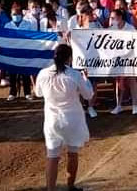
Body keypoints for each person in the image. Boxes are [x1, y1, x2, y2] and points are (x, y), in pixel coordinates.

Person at [35, 44, 93, 191]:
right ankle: (70, 186)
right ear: (69, 58)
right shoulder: (74, 75)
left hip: (52, 121)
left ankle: (50, 189)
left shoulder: (42, 74)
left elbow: (38, 93)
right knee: (73, 153)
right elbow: (88, 95)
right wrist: (86, 79)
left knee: (52, 156)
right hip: (73, 120)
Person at [108, 9, 137, 115]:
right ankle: (119, 105)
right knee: (118, 82)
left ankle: (135, 106)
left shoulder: (130, 28)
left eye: (113, 18)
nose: (111, 20)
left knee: (131, 80)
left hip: (130, 58)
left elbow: (136, 42)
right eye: (111, 18)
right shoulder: (111, 29)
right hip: (117, 59)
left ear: (120, 17)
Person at [4, 5, 35, 101]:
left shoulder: (28, 24)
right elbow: (4, 39)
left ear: (21, 15)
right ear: (10, 15)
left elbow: (32, 37)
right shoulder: (7, 26)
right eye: (14, 14)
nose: (16, 16)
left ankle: (27, 92)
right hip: (12, 53)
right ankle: (13, 92)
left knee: (25, 74)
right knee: (12, 74)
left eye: (18, 14)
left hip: (24, 52)